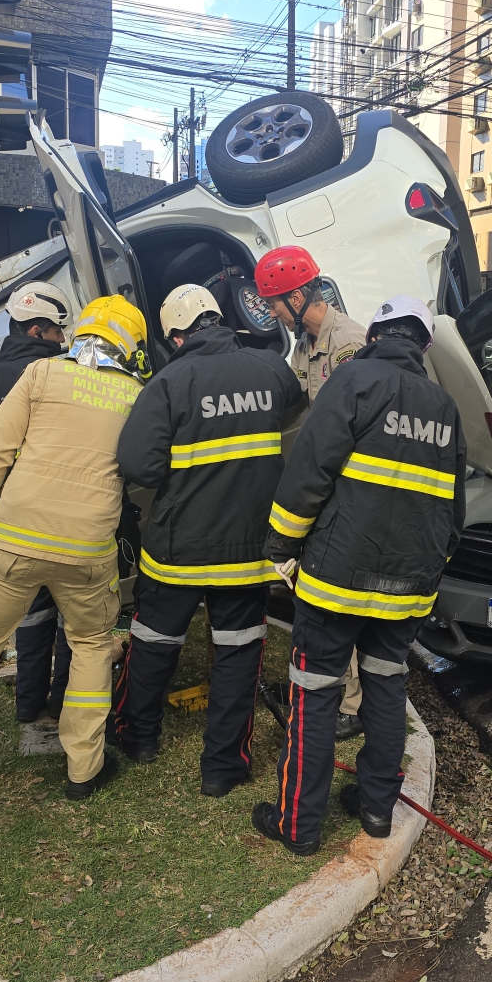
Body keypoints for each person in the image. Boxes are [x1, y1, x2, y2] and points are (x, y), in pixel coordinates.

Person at [253, 295, 466, 855]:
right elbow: (453, 515)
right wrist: (427, 574)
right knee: (385, 687)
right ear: (422, 345)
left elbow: (309, 470)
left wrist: (280, 543)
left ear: (375, 335)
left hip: (337, 580)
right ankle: (376, 809)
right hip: (408, 591)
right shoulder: (445, 407)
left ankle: (298, 824)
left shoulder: (352, 382)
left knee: (317, 692)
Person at [0, 295, 152, 801]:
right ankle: (83, 771)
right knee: (90, 645)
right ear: (130, 344)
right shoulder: (136, 394)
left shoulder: (42, 374)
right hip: (88, 548)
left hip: (14, 540)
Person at [111, 283, 304, 798]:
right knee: (239, 652)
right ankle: (222, 768)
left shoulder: (170, 382)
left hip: (179, 550)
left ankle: (139, 738)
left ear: (175, 337)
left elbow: (140, 466)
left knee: (152, 643)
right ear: (220, 321)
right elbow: (291, 413)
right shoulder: (271, 368)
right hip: (249, 549)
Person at [253, 245, 369, 741]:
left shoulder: (348, 344)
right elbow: (300, 415)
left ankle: (354, 703)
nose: (274, 313)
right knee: (316, 595)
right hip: (325, 490)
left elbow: (348, 429)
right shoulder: (306, 344)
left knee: (341, 598)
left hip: (349, 491)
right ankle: (326, 687)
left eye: (277, 303)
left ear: (300, 295)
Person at [0, 281, 75, 724]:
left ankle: (28, 701)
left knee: (31, 616)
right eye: (57, 334)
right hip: (58, 515)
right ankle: (63, 701)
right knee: (73, 617)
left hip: (10, 522)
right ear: (37, 331)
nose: (62, 342)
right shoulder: (54, 377)